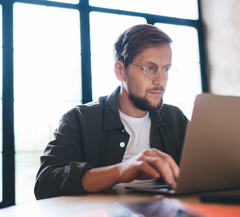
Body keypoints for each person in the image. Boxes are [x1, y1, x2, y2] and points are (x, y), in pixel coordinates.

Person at [34, 24, 188, 199]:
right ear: (120, 71)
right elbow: (45, 184)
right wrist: (121, 171)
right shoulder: (79, 119)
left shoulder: (176, 119)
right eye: (150, 69)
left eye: (166, 69)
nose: (161, 80)